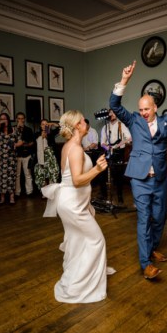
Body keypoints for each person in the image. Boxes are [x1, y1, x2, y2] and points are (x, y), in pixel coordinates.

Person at [109, 61, 167, 279]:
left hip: (159, 179)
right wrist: (124, 81)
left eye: (146, 109)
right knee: (144, 218)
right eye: (140, 109)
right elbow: (115, 105)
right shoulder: (133, 121)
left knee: (159, 217)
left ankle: (152, 248)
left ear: (155, 108)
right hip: (139, 179)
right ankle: (145, 263)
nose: (143, 112)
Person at [41, 109, 113, 303]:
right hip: (72, 204)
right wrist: (97, 169)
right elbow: (77, 180)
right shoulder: (76, 148)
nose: (85, 121)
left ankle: (81, 274)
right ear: (76, 126)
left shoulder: (70, 146)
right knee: (97, 240)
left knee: (78, 241)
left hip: (73, 203)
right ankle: (82, 285)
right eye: (82, 120)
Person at [99, 109, 132, 204]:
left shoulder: (122, 125)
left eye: (114, 112)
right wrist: (107, 147)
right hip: (108, 152)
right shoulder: (105, 127)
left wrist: (118, 145)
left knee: (118, 175)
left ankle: (119, 195)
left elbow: (129, 138)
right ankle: (104, 195)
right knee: (102, 173)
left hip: (119, 152)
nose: (112, 114)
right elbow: (102, 143)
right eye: (110, 113)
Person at [0, 113, 22, 204]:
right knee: (1, 177)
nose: (3, 120)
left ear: (8, 119)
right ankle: (2, 196)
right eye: (1, 119)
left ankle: (12, 196)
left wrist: (16, 144)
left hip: (11, 158)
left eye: (5, 119)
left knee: (11, 177)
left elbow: (20, 141)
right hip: (0, 158)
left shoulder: (14, 129)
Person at [34, 119, 60, 191]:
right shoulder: (37, 133)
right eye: (43, 124)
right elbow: (35, 142)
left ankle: (51, 190)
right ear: (40, 125)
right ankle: (45, 191)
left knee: (51, 172)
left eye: (46, 124)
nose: (44, 126)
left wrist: (52, 123)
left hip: (50, 156)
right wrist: (42, 136)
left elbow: (61, 127)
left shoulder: (51, 133)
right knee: (43, 173)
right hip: (41, 156)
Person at [13, 112, 35, 197]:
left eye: (22, 118)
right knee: (17, 175)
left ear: (24, 119)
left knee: (28, 174)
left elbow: (32, 142)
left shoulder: (28, 129)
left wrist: (24, 144)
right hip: (17, 155)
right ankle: (17, 192)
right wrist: (17, 129)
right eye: (19, 118)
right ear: (16, 119)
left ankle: (29, 191)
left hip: (27, 154)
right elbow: (12, 141)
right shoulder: (13, 129)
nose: (21, 120)